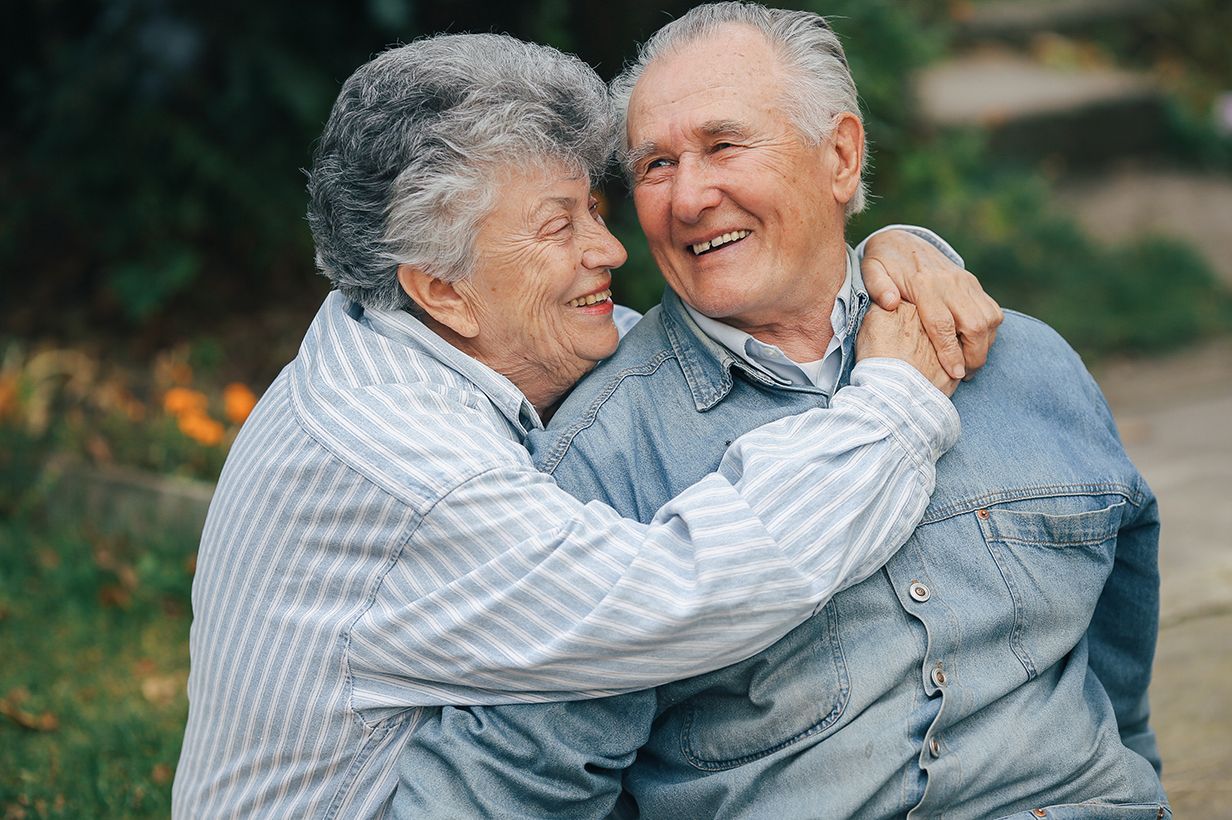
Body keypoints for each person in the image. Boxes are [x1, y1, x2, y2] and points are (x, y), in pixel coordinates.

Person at [171, 31, 1003, 818]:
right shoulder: (405, 465)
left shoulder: (422, 328)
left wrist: (884, 257)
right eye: (557, 227)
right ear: (443, 290)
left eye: (596, 210)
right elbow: (683, 597)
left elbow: (720, 336)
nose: (608, 251)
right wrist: (896, 403)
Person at [394, 5, 1168, 819]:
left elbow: (1117, 656)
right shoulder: (599, 461)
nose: (688, 197)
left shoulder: (1022, 362)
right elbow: (516, 776)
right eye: (655, 164)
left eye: (724, 145)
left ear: (840, 155)